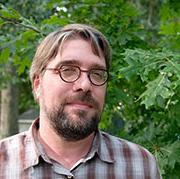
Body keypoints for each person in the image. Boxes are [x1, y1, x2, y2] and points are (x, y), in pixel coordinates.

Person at [0, 24, 161, 178]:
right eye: (68, 70)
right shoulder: (4, 164)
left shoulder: (140, 166)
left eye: (97, 73)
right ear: (37, 84)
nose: (85, 85)